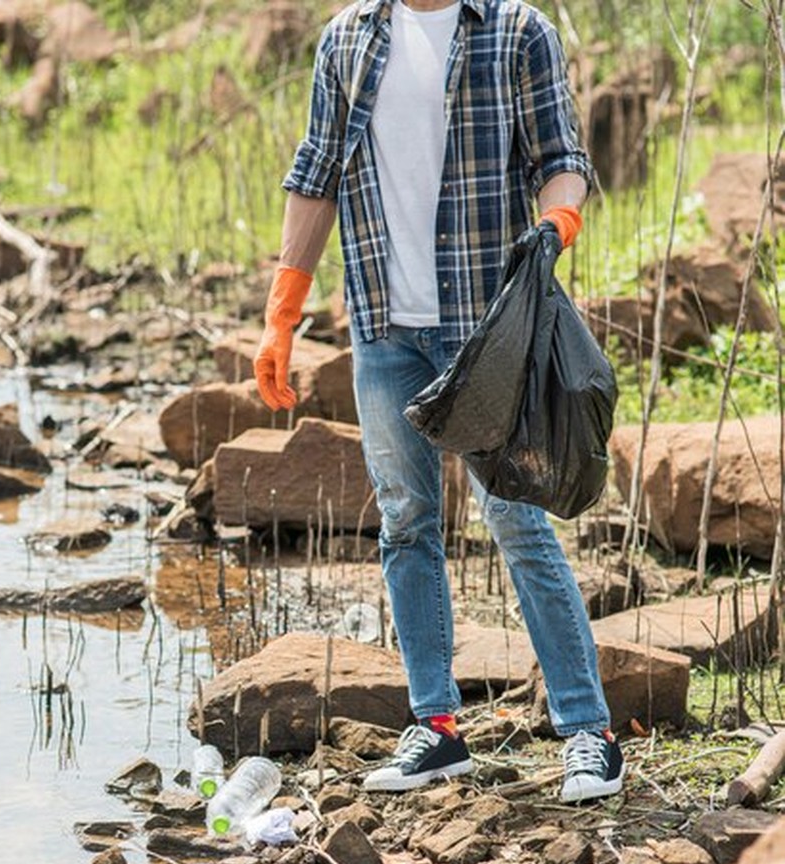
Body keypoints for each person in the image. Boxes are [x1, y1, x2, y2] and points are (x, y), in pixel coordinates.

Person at [254, 0, 624, 803]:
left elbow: (562, 156)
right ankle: (438, 729)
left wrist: (559, 218)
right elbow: (316, 172)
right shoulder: (347, 39)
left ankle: (589, 733)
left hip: (488, 333)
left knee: (517, 522)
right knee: (406, 521)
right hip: (385, 327)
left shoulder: (517, 31)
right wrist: (283, 314)